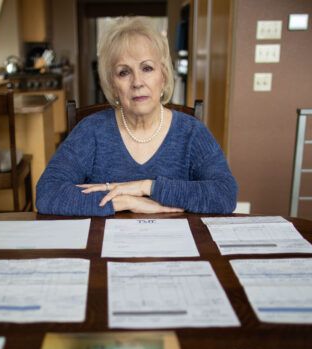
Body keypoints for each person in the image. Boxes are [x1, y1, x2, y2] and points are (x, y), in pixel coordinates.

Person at [36, 17, 237, 216]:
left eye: (147, 68)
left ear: (164, 76)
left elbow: (225, 195)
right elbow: (47, 193)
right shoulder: (91, 131)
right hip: (105, 246)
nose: (137, 82)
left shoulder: (192, 132)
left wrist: (146, 188)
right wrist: (124, 202)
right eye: (124, 72)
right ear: (112, 85)